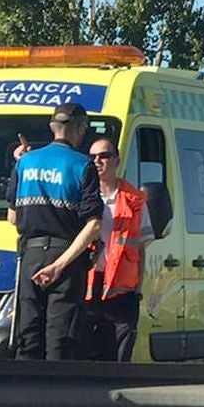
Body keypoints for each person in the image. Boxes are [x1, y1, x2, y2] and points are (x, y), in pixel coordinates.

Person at [4, 103, 102, 407]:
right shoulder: (82, 166)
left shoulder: (25, 163)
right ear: (78, 129)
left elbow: (13, 218)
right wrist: (61, 264)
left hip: (30, 256)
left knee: (27, 343)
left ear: (51, 127)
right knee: (59, 343)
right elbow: (92, 224)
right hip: (65, 256)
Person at [83, 136, 154, 366]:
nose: (97, 161)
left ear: (116, 160)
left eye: (104, 156)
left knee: (118, 359)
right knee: (86, 355)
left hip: (122, 290)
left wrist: (138, 289)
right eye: (92, 156)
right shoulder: (82, 197)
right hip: (87, 284)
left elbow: (141, 248)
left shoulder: (134, 200)